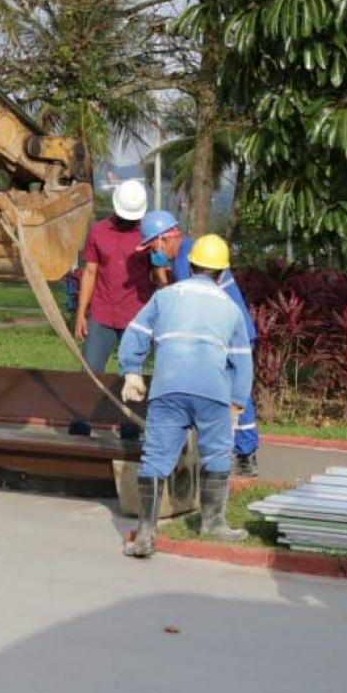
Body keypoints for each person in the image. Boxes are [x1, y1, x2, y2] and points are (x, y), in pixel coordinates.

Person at [115, 233, 253, 558]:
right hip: (213, 392)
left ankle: (146, 534)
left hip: (169, 389)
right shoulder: (230, 308)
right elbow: (241, 360)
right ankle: (213, 523)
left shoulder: (166, 296)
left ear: (190, 266)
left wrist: (132, 370)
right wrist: (237, 403)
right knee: (217, 455)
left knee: (155, 458)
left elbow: (137, 332)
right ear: (222, 273)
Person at [139, 210, 263, 476]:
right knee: (233, 392)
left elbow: (190, 309)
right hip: (232, 330)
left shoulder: (186, 263)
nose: (152, 253)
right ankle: (240, 452)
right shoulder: (194, 251)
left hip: (226, 334)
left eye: (152, 246)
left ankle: (244, 454)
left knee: (232, 394)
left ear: (166, 239)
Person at [73, 178, 153, 374]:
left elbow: (159, 278)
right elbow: (90, 272)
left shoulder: (148, 234)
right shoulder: (98, 231)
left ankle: (125, 406)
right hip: (102, 313)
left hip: (135, 316)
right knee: (89, 373)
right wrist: (81, 313)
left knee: (131, 376)